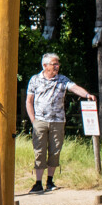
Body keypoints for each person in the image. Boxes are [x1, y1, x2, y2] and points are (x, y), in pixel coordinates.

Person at [25, 53, 95, 193]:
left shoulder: (62, 80)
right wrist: (33, 120)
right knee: (39, 151)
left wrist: (87, 95)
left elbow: (74, 87)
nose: (56, 67)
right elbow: (29, 101)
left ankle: (50, 181)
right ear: (45, 66)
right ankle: (38, 182)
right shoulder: (35, 80)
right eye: (53, 64)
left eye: (58, 64)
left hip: (57, 120)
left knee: (55, 151)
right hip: (40, 121)